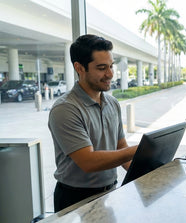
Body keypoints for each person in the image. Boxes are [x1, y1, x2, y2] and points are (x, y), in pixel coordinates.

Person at [48, 34, 137, 212]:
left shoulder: (112, 103)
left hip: (110, 192)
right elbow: (89, 162)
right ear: (79, 68)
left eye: (111, 66)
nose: (110, 74)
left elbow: (121, 147)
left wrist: (146, 171)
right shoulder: (65, 109)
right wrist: (140, 149)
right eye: (102, 68)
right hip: (75, 199)